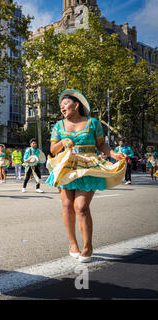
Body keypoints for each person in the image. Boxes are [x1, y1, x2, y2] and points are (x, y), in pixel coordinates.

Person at [46, 89, 127, 263]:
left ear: (76, 105)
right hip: (67, 167)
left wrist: (113, 154)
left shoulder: (93, 123)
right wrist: (62, 142)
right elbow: (52, 150)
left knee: (81, 206)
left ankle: (88, 246)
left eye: (65, 104)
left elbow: (101, 145)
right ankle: (73, 243)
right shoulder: (58, 126)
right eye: (60, 106)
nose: (62, 108)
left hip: (89, 166)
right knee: (67, 205)